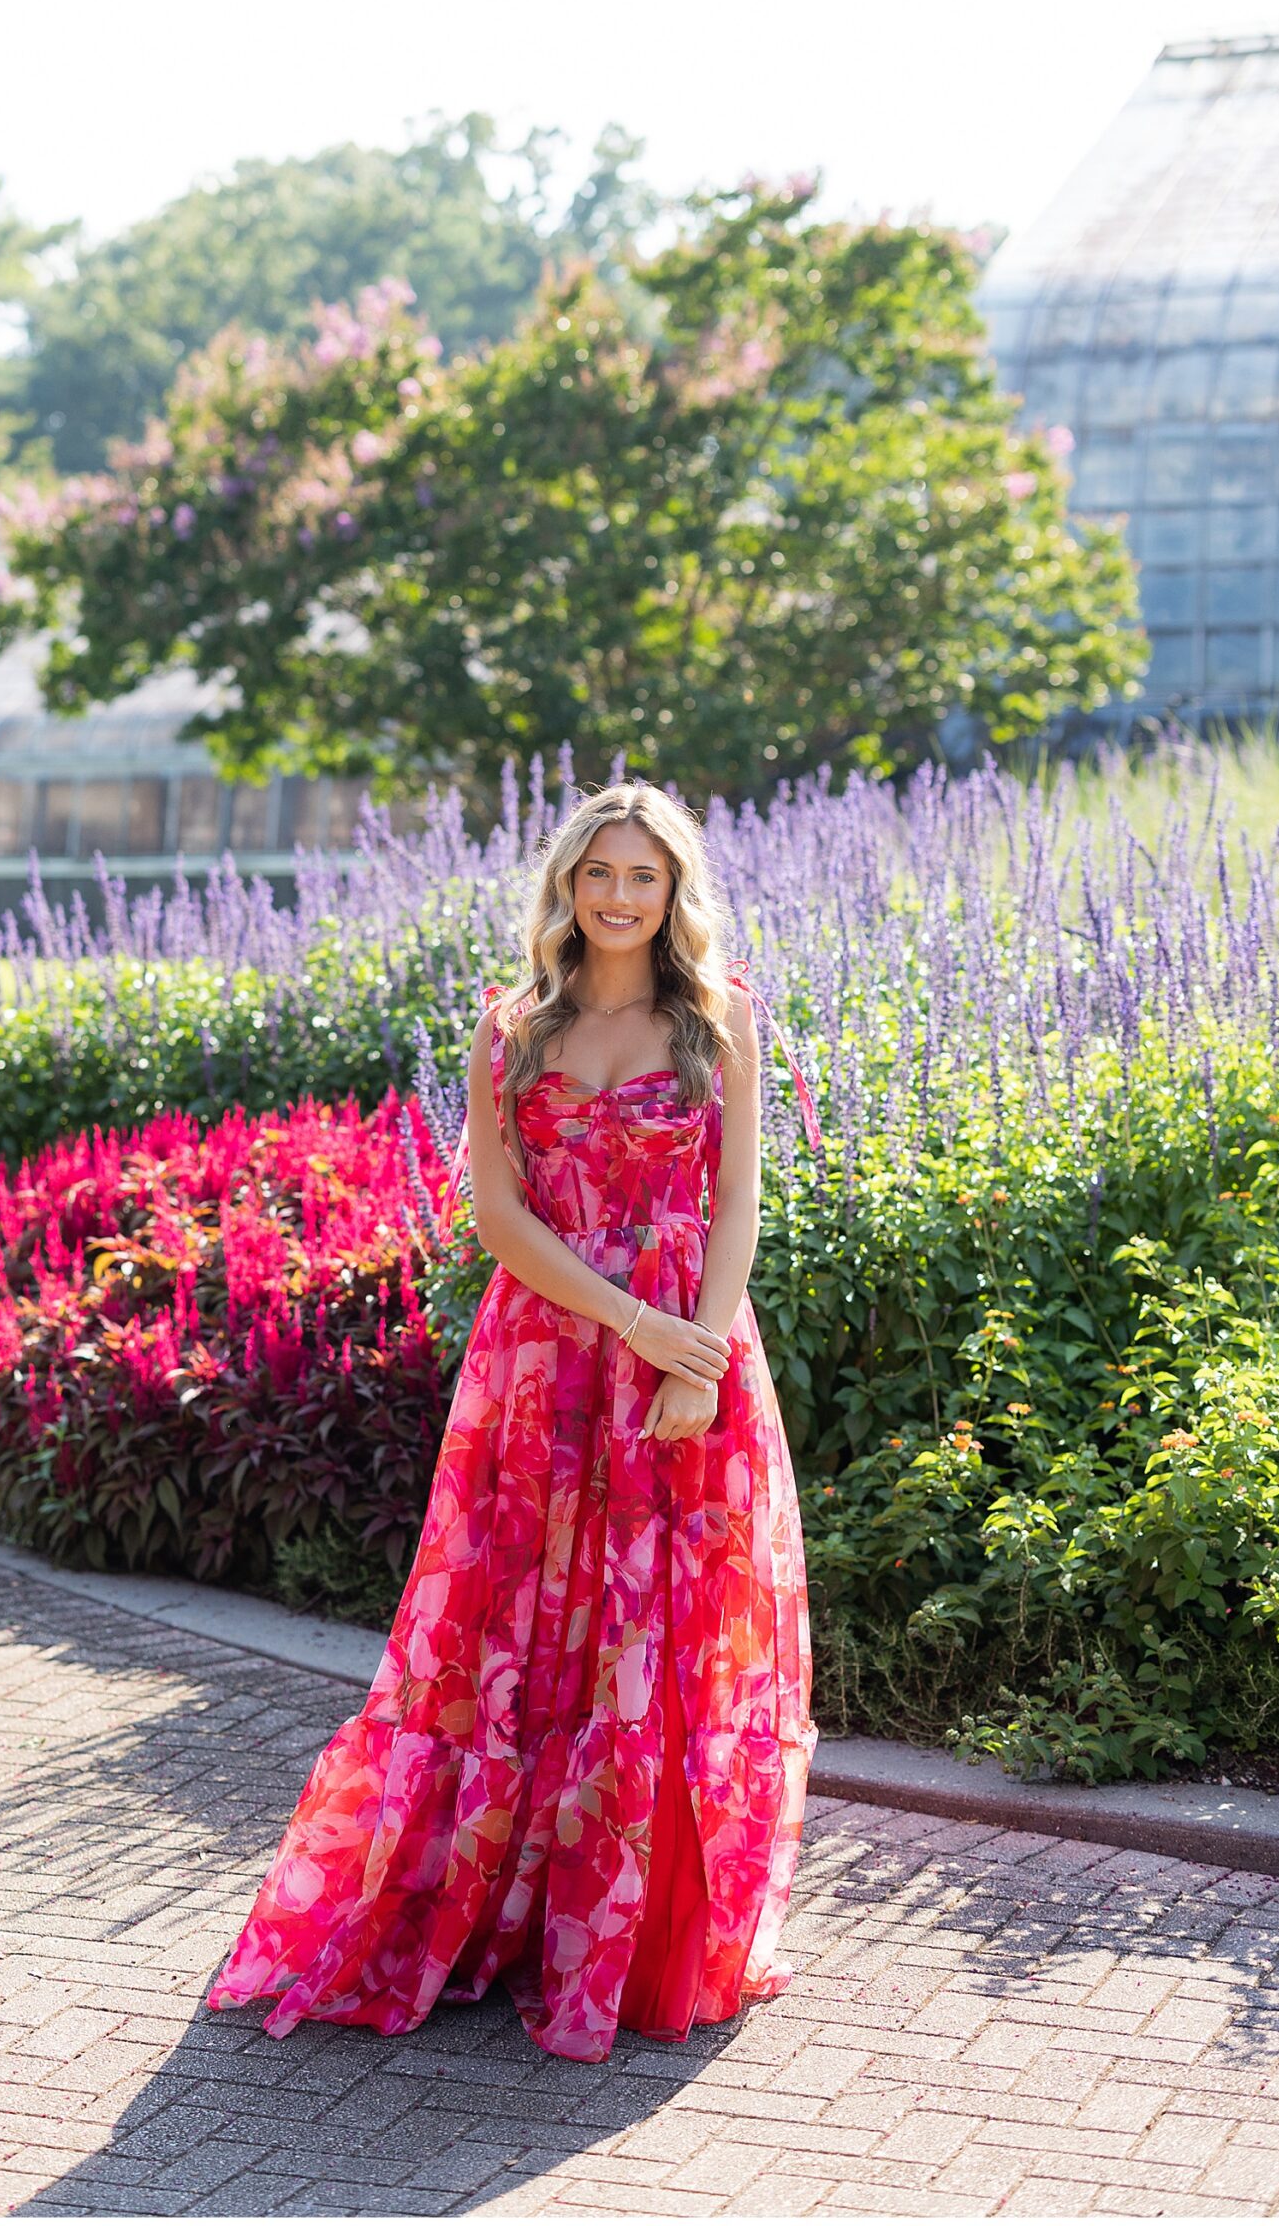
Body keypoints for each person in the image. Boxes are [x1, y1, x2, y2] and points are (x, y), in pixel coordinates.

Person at [208, 781, 819, 2063]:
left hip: (686, 1355)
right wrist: (632, 1322)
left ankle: (627, 1931)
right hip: (544, 1361)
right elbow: (497, 1219)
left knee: (656, 1629)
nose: (618, 895)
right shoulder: (512, 1028)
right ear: (565, 884)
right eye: (598, 872)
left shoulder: (717, 1020)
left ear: (672, 890)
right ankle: (498, 1912)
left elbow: (736, 1206)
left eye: (642, 875)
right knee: (515, 1628)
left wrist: (695, 1355)